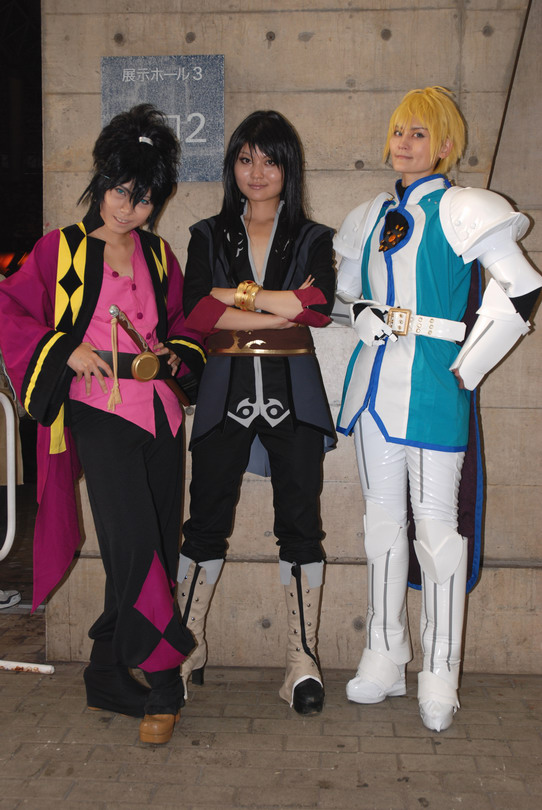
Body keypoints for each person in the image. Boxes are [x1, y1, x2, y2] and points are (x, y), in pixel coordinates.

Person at [332, 86, 541, 732]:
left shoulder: (462, 208)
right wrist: (361, 315)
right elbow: (341, 296)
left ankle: (440, 671)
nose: (405, 143)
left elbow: (522, 288)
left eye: (419, 133)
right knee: (381, 526)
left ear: (446, 145)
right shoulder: (369, 215)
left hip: (432, 387)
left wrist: (468, 366)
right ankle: (385, 654)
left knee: (437, 535)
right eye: (400, 131)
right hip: (373, 387)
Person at [0, 104, 206, 744]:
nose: (129, 208)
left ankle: (107, 672)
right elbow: (9, 309)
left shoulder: (160, 254)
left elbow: (182, 323)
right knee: (136, 544)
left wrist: (177, 353)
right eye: (121, 190)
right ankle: (164, 680)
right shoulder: (59, 249)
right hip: (99, 412)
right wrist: (64, 349)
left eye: (144, 199)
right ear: (102, 180)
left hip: (161, 414)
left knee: (152, 545)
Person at [177, 110, 336, 715]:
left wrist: (236, 296)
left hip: (296, 393)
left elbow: (318, 308)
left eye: (270, 160)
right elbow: (196, 311)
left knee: (301, 524)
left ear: (288, 167)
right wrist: (278, 309)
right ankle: (186, 648)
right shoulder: (207, 233)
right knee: (204, 521)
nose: (257, 172)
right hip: (224, 390)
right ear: (232, 167)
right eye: (246, 159)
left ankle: (301, 660)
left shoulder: (314, 236)